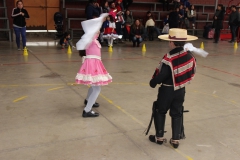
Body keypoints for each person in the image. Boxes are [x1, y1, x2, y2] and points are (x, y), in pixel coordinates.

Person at [146, 28, 198, 148]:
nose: (169, 43)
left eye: (169, 41)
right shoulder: (189, 56)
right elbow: (192, 70)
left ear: (172, 43)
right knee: (177, 113)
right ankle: (175, 139)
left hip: (167, 90)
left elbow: (163, 74)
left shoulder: (169, 57)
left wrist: (153, 82)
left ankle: (159, 137)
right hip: (180, 90)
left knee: (160, 110)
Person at [76, 13, 112, 118]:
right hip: (92, 64)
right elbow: (92, 28)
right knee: (97, 88)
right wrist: (101, 19)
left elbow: (96, 28)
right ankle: (87, 110)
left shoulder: (94, 40)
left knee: (93, 85)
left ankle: (88, 100)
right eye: (97, 29)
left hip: (95, 63)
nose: (98, 30)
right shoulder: (90, 38)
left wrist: (101, 19)